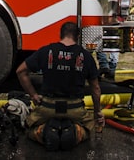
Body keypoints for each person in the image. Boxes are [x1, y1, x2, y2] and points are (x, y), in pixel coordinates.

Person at [16, 21, 104, 151]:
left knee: (27, 127)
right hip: (75, 109)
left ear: (60, 34)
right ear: (78, 36)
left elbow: (20, 71)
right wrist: (97, 113)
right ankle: (75, 132)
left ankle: (44, 132)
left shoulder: (46, 51)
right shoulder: (86, 56)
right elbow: (95, 89)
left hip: (48, 107)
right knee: (89, 127)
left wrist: (33, 95)